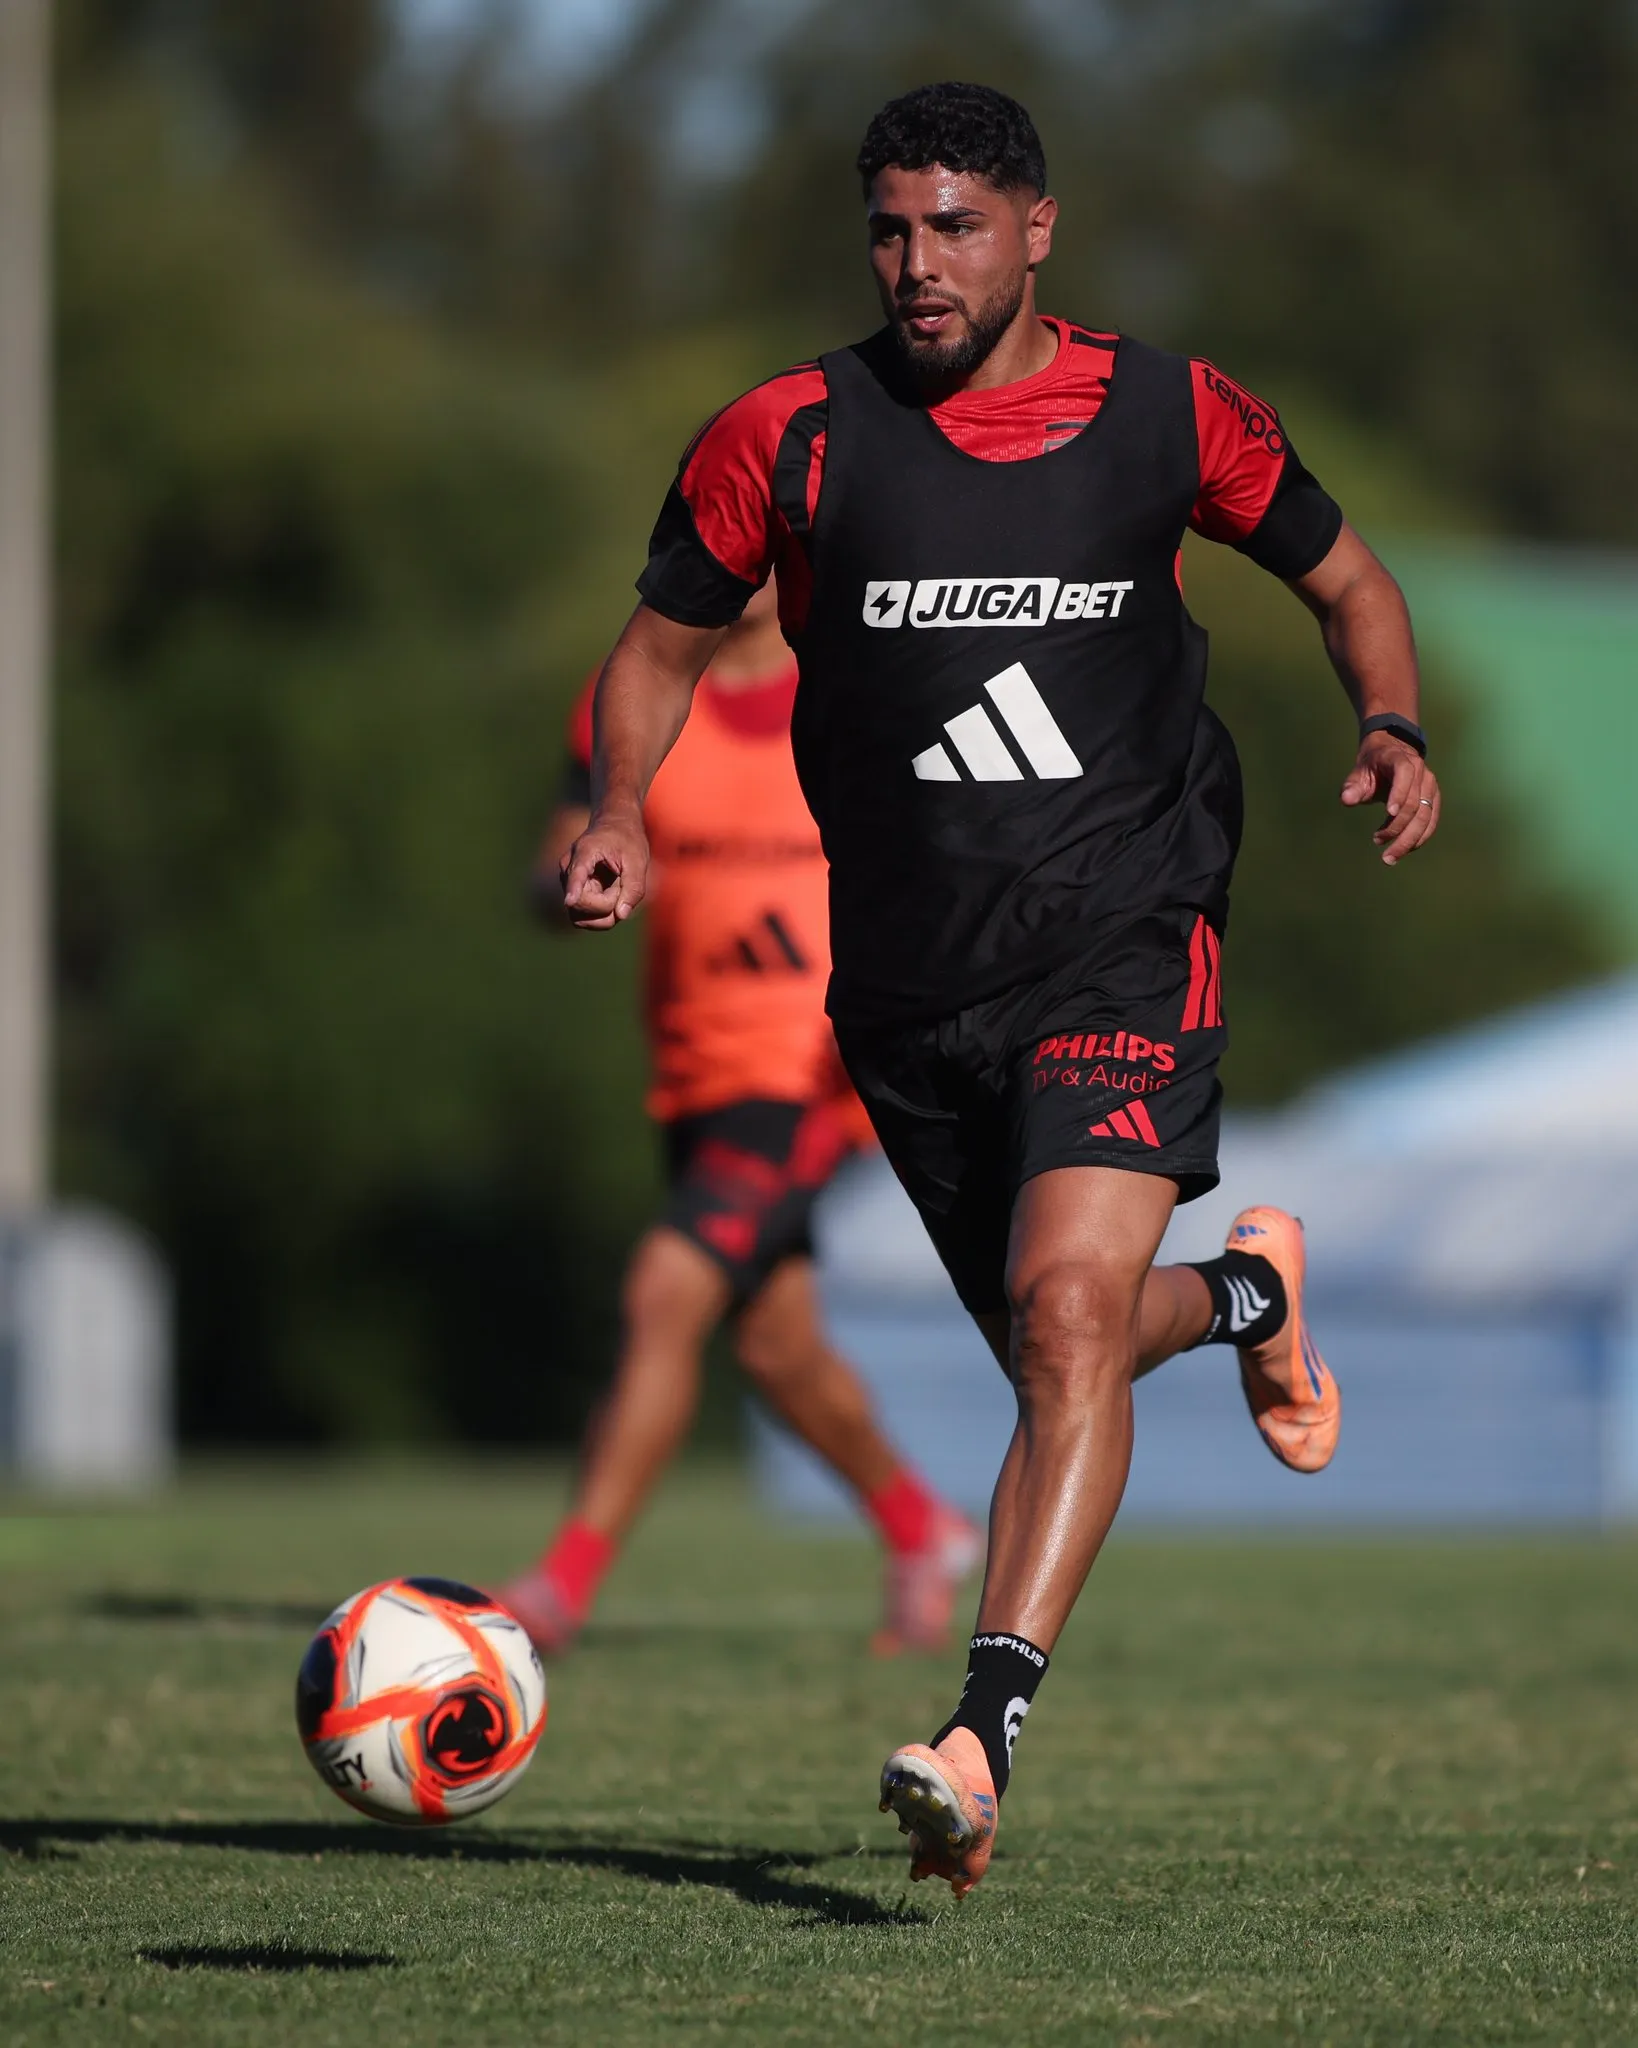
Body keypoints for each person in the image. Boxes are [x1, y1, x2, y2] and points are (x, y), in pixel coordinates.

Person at [558, 82, 1441, 1896]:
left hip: (1125, 929)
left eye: (953, 225)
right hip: (902, 982)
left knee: (1058, 1322)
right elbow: (649, 650)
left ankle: (978, 1730)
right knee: (1073, 1344)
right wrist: (615, 811)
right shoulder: (788, 437)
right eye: (888, 228)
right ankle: (1255, 1288)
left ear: (1037, 227)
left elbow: (1347, 575)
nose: (916, 264)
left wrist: (1392, 722)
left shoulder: (1170, 413)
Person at [498, 578, 980, 1658]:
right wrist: (568, 887)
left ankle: (561, 1585)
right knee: (774, 1342)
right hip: (696, 1076)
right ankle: (922, 1527)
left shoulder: (864, 689)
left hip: (814, 1070)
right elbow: (555, 856)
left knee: (664, 1289)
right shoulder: (633, 698)